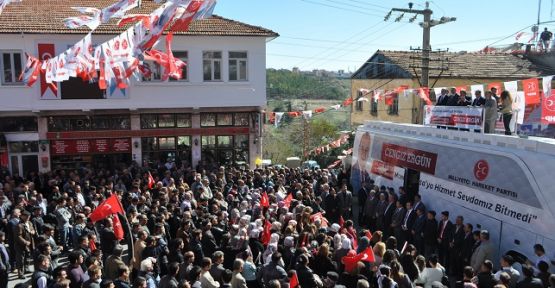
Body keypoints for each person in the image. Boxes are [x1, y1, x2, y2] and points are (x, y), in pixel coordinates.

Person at [15, 209, 35, 279]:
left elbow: (33, 229)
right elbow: (18, 236)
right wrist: (25, 242)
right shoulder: (19, 225)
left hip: (30, 244)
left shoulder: (29, 223)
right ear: (22, 216)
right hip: (21, 245)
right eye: (26, 216)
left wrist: (33, 231)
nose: (28, 217)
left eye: (29, 216)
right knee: (21, 259)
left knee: (27, 257)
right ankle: (20, 273)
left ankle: (26, 269)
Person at [350, 132, 371, 196]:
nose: (364, 152)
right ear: (358, 149)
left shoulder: (367, 173)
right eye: (362, 148)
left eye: (367, 149)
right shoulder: (353, 169)